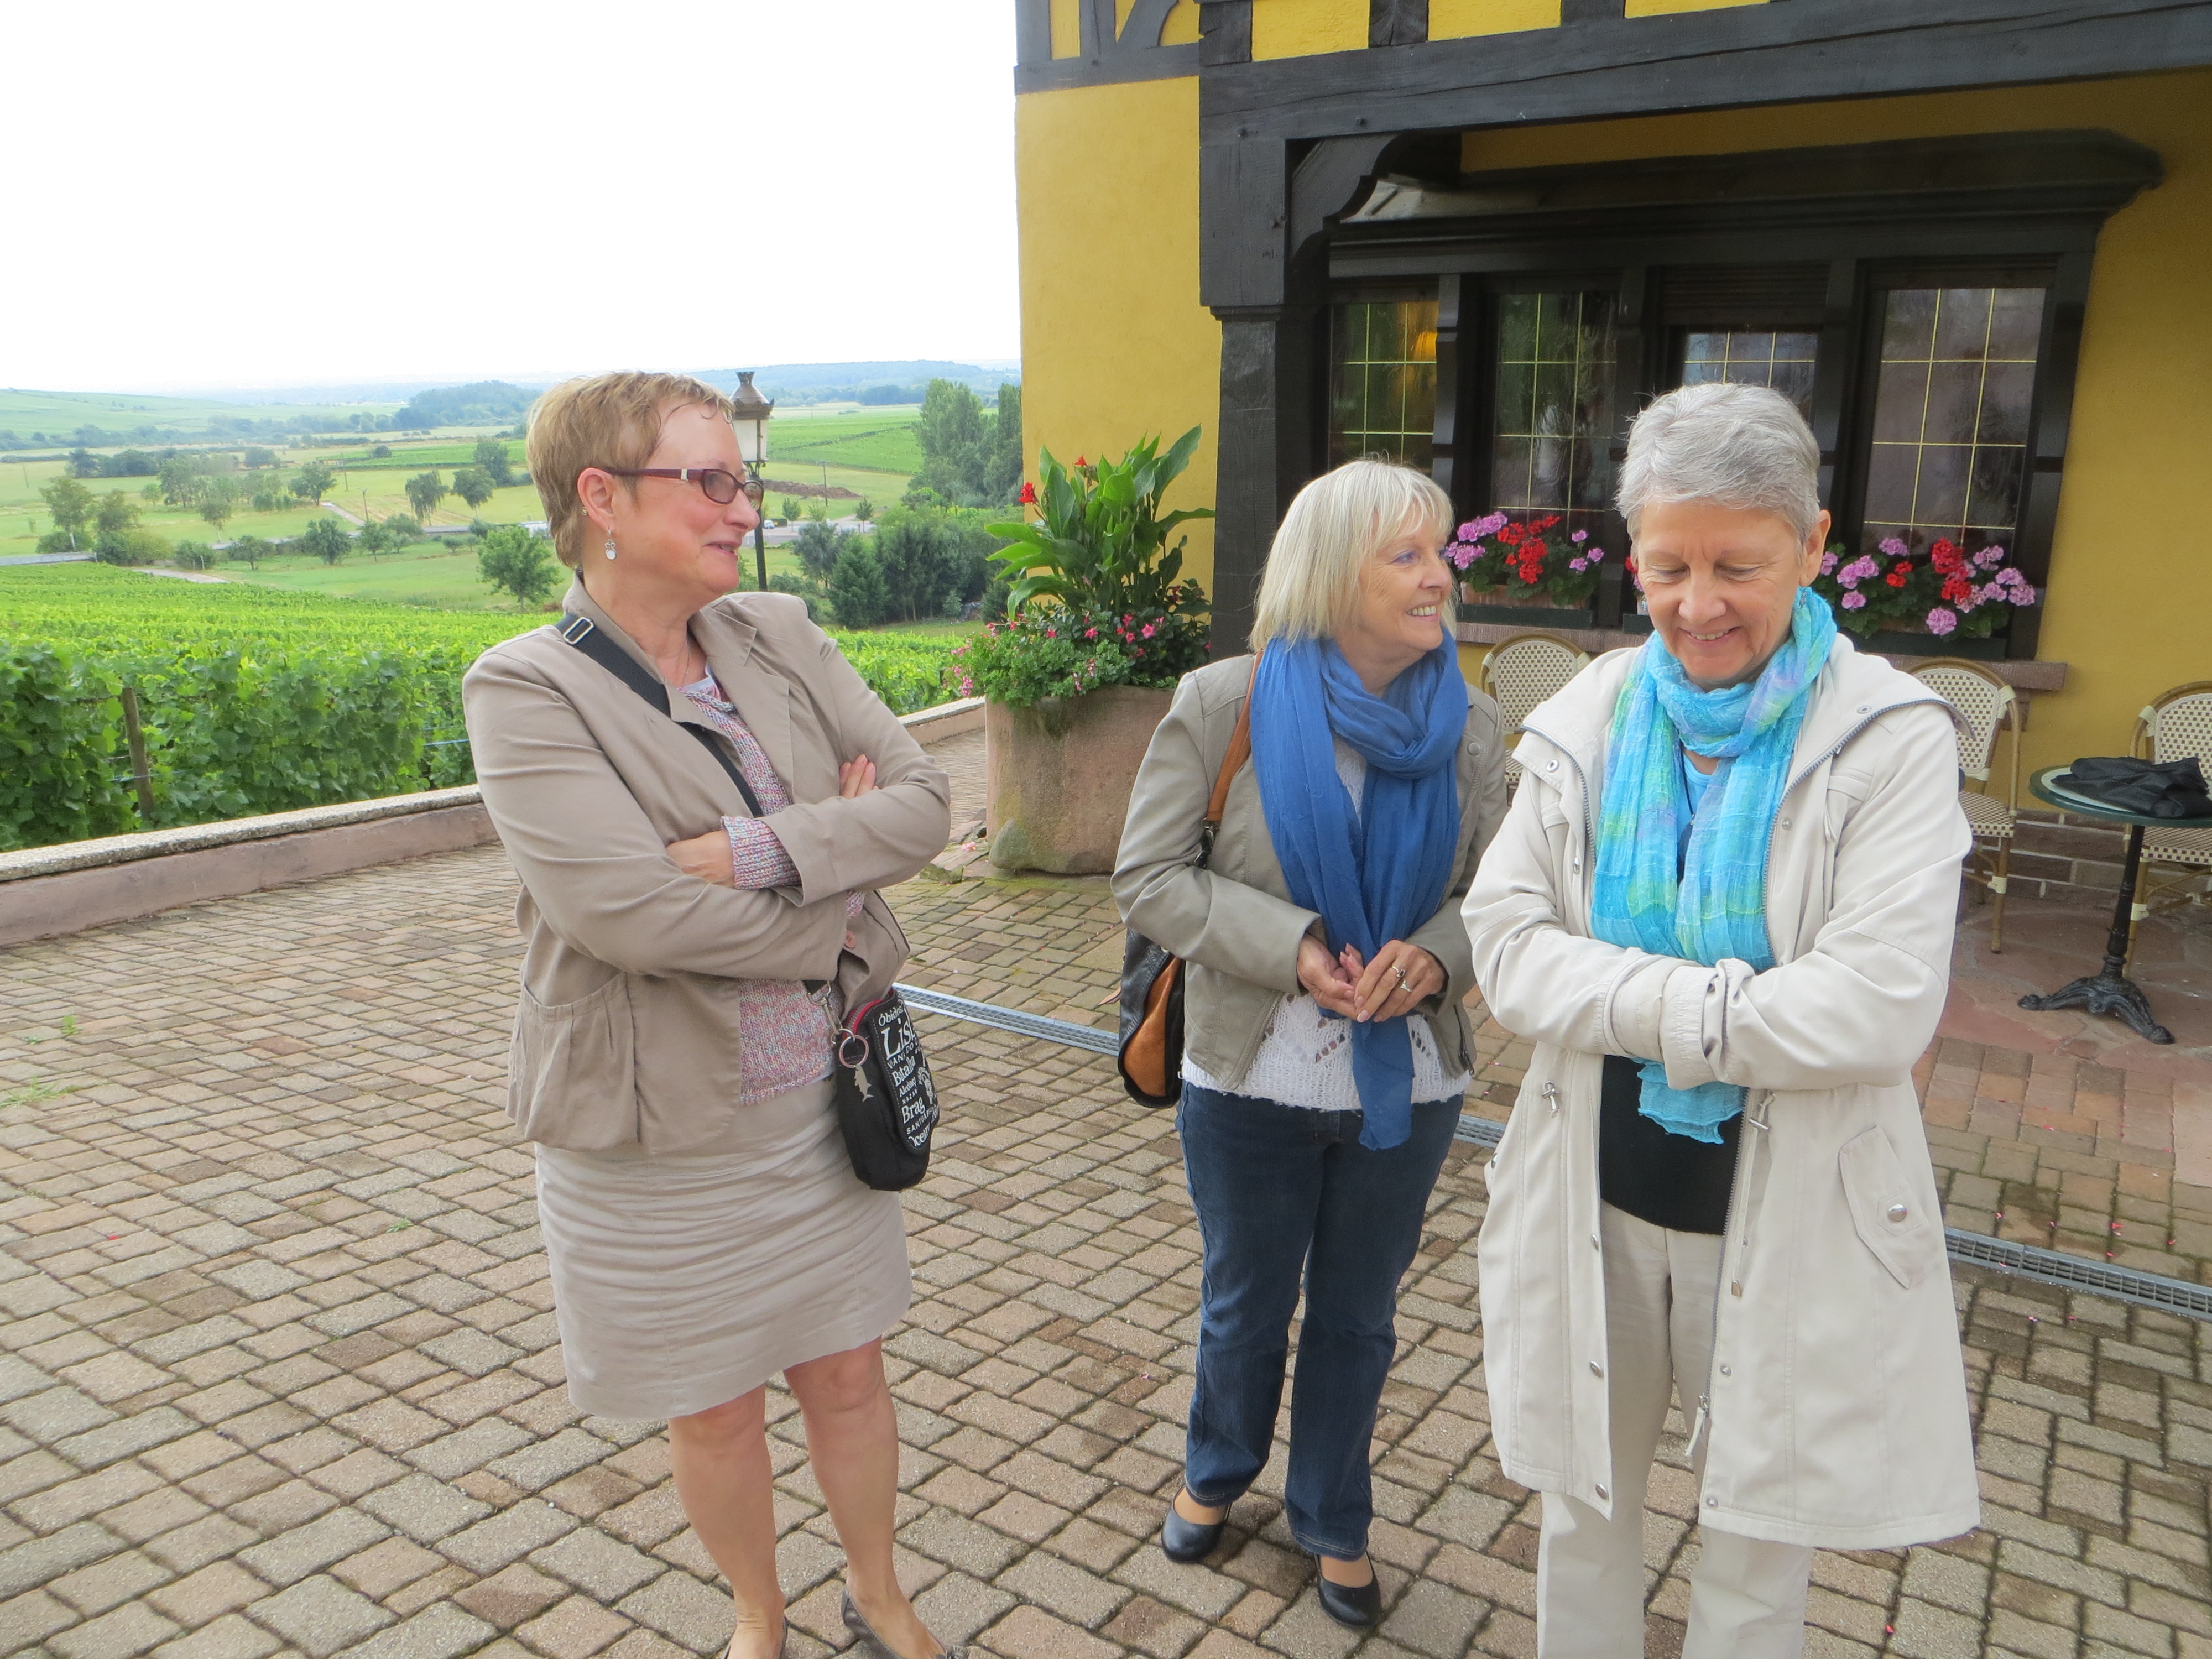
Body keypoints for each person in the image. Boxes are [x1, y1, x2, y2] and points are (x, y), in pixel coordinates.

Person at [1461, 381, 1980, 1658]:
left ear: (1811, 546)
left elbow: (1873, 1007)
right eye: (1667, 566)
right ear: (1632, 555)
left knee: (1755, 1549)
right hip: (1593, 1189)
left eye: (1735, 567)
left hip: (1785, 1206)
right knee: (1581, 1517)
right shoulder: (1586, 715)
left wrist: (1614, 994)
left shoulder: (1886, 737)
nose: (1696, 605)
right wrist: (1727, 1007)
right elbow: (1504, 946)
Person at [462, 372, 956, 1659]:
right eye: (712, 481)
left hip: (817, 1109)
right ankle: (757, 1613)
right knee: (715, 1408)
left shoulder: (775, 630)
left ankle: (878, 1594)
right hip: (659, 1129)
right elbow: (624, 915)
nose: (744, 508)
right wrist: (835, 886)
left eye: (746, 480)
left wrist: (750, 850)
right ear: (601, 498)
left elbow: (921, 805)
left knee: (848, 1371)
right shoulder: (525, 690)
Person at [1115, 458, 1507, 1629]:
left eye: (1439, 552)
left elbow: (1505, 895)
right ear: (1332, 573)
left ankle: (1333, 1518)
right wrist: (1289, 947)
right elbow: (1149, 876)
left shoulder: (1473, 726)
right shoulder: (1222, 702)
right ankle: (1216, 1470)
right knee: (1243, 1302)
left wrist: (1435, 955)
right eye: (1407, 556)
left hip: (1409, 1084)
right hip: (1250, 1074)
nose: (1439, 577)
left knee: (1356, 1317)